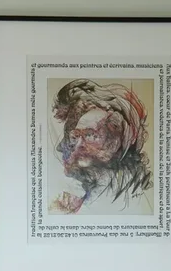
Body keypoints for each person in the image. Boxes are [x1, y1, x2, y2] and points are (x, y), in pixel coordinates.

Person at [50, 78, 153, 213]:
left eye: (90, 135)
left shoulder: (128, 200)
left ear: (116, 143)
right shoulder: (74, 191)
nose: (78, 145)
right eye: (75, 136)